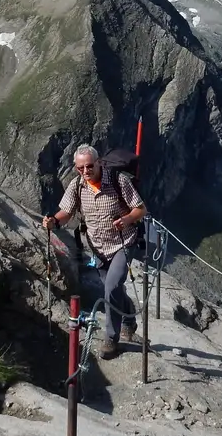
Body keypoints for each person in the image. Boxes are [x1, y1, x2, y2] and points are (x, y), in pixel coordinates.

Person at [42, 144, 146, 359]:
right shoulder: (77, 185)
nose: (85, 171)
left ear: (98, 162)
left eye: (89, 166)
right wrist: (54, 221)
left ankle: (111, 339)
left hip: (123, 242)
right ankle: (128, 320)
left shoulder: (119, 181)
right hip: (97, 247)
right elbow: (67, 211)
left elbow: (141, 209)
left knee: (111, 286)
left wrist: (126, 219)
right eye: (80, 168)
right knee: (113, 289)